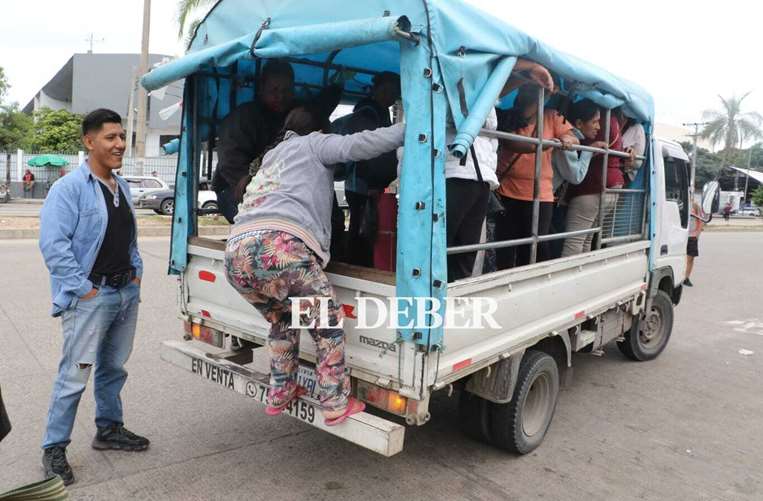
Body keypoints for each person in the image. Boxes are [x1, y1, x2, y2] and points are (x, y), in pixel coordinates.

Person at [224, 106, 405, 424]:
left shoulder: (275, 154)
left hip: (236, 253)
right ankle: (335, 402)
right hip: (277, 247)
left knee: (283, 318)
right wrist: (407, 130)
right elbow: (358, 144)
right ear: (320, 129)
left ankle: (280, 392)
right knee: (328, 323)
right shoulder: (315, 143)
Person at [38, 109, 147, 486]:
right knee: (75, 374)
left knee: (114, 368)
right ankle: (54, 448)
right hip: (91, 295)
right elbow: (54, 247)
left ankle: (109, 428)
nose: (120, 144)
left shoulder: (123, 186)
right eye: (111, 138)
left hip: (123, 292)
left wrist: (135, 274)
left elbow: (128, 237)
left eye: (122, 137)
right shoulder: (68, 189)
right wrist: (84, 288)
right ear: (89, 142)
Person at [213, 59, 342, 223]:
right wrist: (251, 182)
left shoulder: (301, 115)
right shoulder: (242, 118)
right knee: (272, 219)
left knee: (330, 212)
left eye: (286, 90)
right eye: (274, 90)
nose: (280, 96)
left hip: (286, 187)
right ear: (261, 89)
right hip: (236, 188)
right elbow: (231, 163)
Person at [494, 84, 577, 269]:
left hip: (541, 194)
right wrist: (546, 143)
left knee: (532, 248)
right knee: (505, 247)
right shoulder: (507, 116)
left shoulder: (553, 116)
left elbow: (573, 138)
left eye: (536, 92)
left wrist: (566, 140)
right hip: (507, 191)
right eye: (529, 90)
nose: (531, 96)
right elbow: (513, 143)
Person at [335, 72, 401, 267]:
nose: (391, 96)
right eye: (388, 91)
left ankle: (361, 261)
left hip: (368, 183)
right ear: (377, 89)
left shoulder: (379, 111)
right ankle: (357, 264)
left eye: (395, 93)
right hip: (362, 184)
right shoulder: (367, 112)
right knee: (362, 225)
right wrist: (372, 182)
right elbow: (364, 150)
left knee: (366, 225)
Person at [561, 101, 625, 257]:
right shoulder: (615, 121)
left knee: (574, 242)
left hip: (593, 186)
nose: (597, 126)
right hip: (611, 185)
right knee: (587, 239)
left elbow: (585, 149)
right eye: (594, 122)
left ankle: (570, 279)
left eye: (597, 122)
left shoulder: (604, 119)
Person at [444, 108, 499, 281]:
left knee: (443, 242)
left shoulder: (469, 87)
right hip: (477, 173)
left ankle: (440, 295)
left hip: (460, 170)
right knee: (465, 247)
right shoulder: (485, 92)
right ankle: (455, 294)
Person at [548, 100, 608, 258]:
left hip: (548, 196)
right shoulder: (569, 139)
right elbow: (576, 176)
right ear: (580, 123)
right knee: (562, 244)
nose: (598, 127)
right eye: (594, 122)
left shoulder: (572, 138)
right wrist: (589, 151)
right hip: (544, 197)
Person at [684, 202, 704, 287]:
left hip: (692, 236)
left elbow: (701, 221)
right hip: (681, 235)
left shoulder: (695, 205)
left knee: (690, 258)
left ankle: (686, 278)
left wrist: (697, 234)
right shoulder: (681, 201)